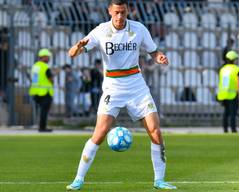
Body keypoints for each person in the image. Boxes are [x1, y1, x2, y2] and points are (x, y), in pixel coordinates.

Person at [66, 0, 177, 190]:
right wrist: (78, 46)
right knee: (99, 134)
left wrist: (159, 57)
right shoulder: (100, 31)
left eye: (123, 13)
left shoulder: (139, 29)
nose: (119, 17)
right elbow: (72, 53)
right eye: (116, 12)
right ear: (109, 11)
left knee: (155, 131)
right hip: (113, 87)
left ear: (128, 12)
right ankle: (78, 179)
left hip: (136, 86)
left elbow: (153, 51)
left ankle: (159, 181)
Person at [217, 50, 239, 133]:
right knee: (233, 113)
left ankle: (225, 129)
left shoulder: (222, 69)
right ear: (234, 60)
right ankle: (233, 129)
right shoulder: (236, 69)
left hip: (223, 93)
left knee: (226, 112)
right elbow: (238, 82)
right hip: (233, 93)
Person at [29, 48, 54, 132]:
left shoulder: (35, 66)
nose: (49, 58)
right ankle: (42, 127)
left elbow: (33, 78)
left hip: (36, 92)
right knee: (44, 111)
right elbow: (50, 79)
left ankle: (41, 126)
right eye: (47, 57)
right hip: (45, 92)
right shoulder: (45, 66)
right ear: (43, 57)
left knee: (41, 111)